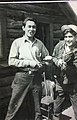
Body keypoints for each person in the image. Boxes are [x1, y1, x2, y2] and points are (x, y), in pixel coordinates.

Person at [5, 17, 49, 120]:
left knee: (36, 109)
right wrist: (30, 63)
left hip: (36, 78)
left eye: (34, 27)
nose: (31, 29)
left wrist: (47, 61)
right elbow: (11, 61)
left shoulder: (39, 44)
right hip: (21, 77)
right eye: (29, 26)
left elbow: (46, 57)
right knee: (14, 107)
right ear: (23, 28)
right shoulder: (17, 42)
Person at [52, 24, 77, 120]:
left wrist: (67, 67)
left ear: (76, 37)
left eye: (70, 36)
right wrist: (57, 61)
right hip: (60, 80)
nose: (68, 39)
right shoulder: (60, 45)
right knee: (57, 104)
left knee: (75, 104)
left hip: (73, 82)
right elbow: (54, 56)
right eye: (66, 37)